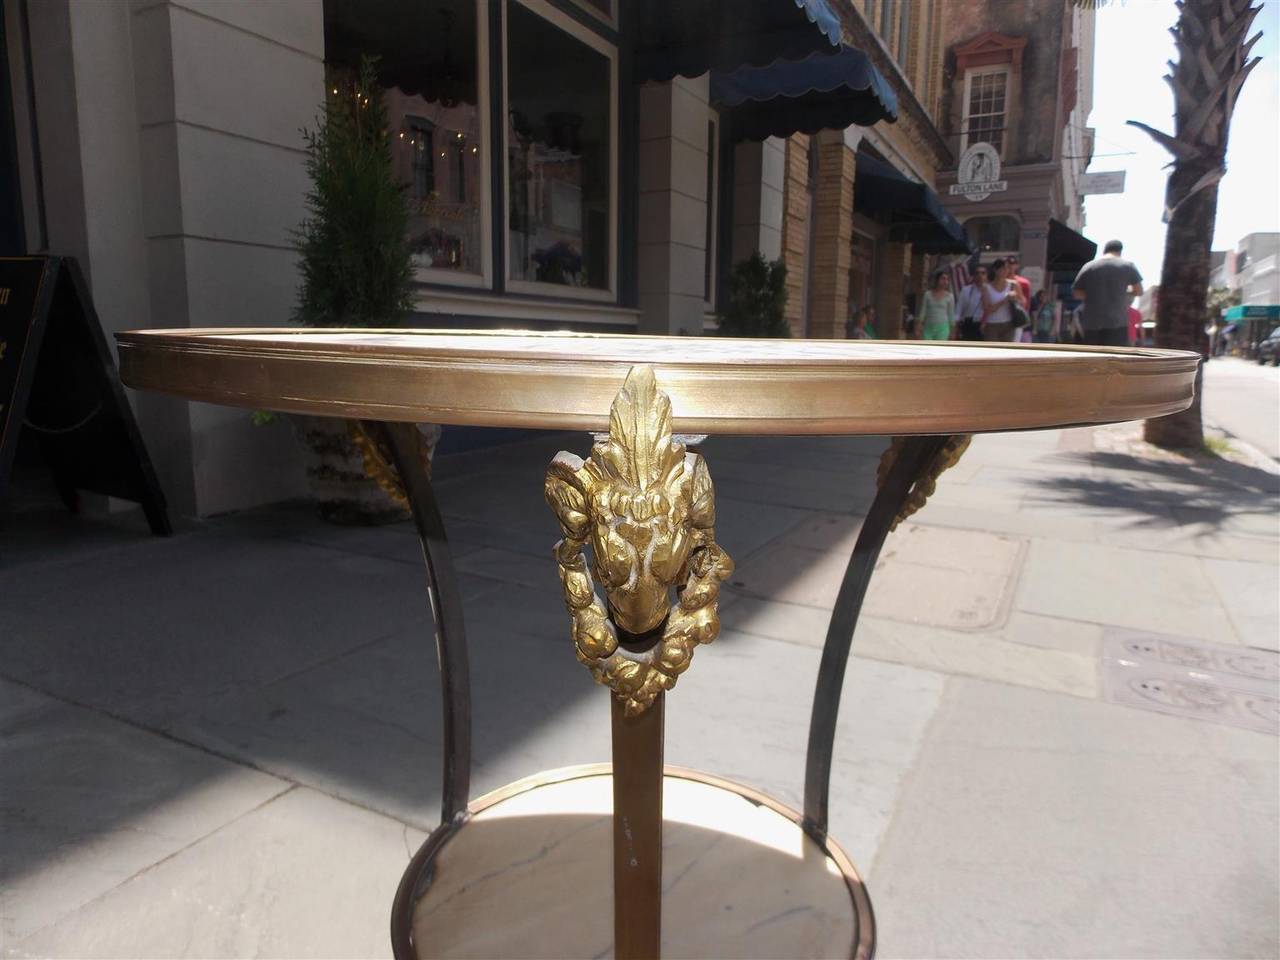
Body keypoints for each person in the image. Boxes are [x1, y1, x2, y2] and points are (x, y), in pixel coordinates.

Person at [1071, 240, 1144, 346]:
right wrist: (1123, 291)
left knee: (1092, 357)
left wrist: (1094, 293)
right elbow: (1139, 291)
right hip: (1117, 322)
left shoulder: (1088, 267)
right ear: (1120, 251)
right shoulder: (1128, 266)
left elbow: (1076, 293)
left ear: (1104, 251)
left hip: (1092, 321)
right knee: (1114, 358)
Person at [979, 258, 1023, 342]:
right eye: (1003, 268)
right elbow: (987, 309)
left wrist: (1016, 299)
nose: (1006, 271)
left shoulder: (1013, 284)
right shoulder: (986, 287)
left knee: (1006, 352)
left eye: (1007, 268)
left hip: (1009, 324)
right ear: (995, 270)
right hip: (992, 325)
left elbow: (1023, 303)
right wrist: (1004, 300)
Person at [954, 265, 987, 341]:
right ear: (973, 276)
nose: (980, 276)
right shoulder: (966, 290)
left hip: (984, 324)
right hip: (968, 324)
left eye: (983, 273)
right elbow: (958, 309)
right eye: (977, 273)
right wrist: (955, 327)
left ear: (986, 276)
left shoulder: (990, 290)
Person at [920, 270, 955, 340]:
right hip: (928, 327)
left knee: (939, 349)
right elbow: (923, 311)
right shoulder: (927, 294)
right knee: (927, 349)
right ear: (937, 280)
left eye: (947, 279)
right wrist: (919, 325)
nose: (945, 281)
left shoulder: (950, 296)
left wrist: (952, 331)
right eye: (943, 278)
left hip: (943, 328)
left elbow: (951, 314)